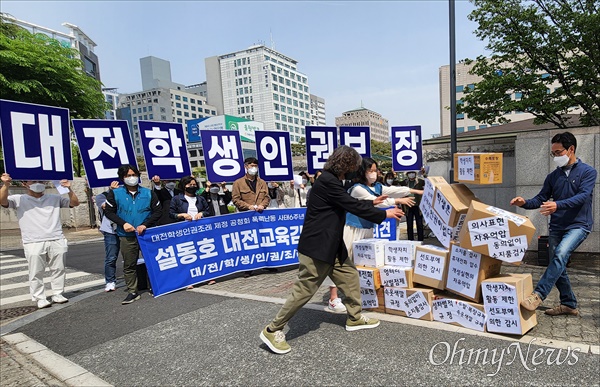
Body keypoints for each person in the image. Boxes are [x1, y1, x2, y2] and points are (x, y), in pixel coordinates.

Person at [259, 146, 404, 354]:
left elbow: (348, 202)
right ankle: (273, 329)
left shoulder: (332, 181)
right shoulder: (327, 181)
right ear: (346, 165)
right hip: (317, 247)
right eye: (355, 166)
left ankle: (354, 317)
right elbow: (350, 204)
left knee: (350, 276)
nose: (358, 170)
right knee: (305, 290)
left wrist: (372, 202)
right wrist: (383, 214)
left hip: (332, 244)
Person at [512, 132, 596, 317]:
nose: (556, 157)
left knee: (559, 255)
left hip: (579, 225)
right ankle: (568, 304)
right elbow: (541, 198)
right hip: (557, 226)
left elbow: (582, 197)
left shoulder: (588, 172)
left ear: (571, 149)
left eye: (558, 152)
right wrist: (524, 202)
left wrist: (557, 204)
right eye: (553, 154)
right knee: (557, 264)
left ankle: (538, 295)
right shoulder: (552, 177)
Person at [0, 174, 80, 309]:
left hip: (56, 238)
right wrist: (6, 184)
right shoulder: (19, 199)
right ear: (24, 183)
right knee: (36, 272)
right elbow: (2, 201)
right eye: (34, 180)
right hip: (33, 241)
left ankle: (58, 293)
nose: (38, 183)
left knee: (59, 269)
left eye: (41, 180)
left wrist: (69, 189)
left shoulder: (54, 198)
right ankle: (39, 297)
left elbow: (74, 203)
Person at [104, 164, 162, 305]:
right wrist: (123, 223)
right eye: (127, 176)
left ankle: (157, 286)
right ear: (122, 178)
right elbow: (109, 212)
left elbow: (158, 211)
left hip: (146, 234)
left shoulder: (148, 193)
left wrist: (145, 225)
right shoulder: (115, 193)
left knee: (153, 261)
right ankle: (132, 291)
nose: (131, 178)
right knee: (129, 264)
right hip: (126, 235)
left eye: (133, 175)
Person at [343, 158, 422, 259]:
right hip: (355, 228)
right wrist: (398, 201)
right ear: (362, 172)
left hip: (368, 228)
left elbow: (394, 190)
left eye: (375, 170)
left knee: (367, 261)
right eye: (370, 171)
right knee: (351, 258)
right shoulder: (358, 189)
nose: (373, 173)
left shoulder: (377, 186)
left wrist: (415, 191)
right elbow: (377, 202)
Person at [232, 157, 271, 277]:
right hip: (246, 217)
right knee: (249, 241)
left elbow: (267, 197)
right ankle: (249, 267)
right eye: (251, 165)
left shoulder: (262, 182)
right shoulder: (238, 183)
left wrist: (262, 205)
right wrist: (248, 206)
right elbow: (236, 199)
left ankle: (268, 264)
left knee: (264, 240)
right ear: (246, 166)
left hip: (260, 215)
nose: (253, 168)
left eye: (255, 166)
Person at [96, 181, 121, 292]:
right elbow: (106, 206)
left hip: (127, 228)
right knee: (111, 257)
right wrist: (112, 192)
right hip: (111, 230)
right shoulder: (102, 196)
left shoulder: (127, 194)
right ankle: (110, 281)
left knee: (131, 256)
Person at [400, 171, 426, 241]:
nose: (411, 175)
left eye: (412, 173)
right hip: (408, 206)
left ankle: (421, 240)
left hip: (418, 205)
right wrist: (394, 173)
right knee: (409, 224)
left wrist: (424, 174)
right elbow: (395, 183)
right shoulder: (404, 183)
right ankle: (410, 240)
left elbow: (428, 183)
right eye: (409, 173)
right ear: (407, 174)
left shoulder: (420, 182)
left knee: (420, 224)